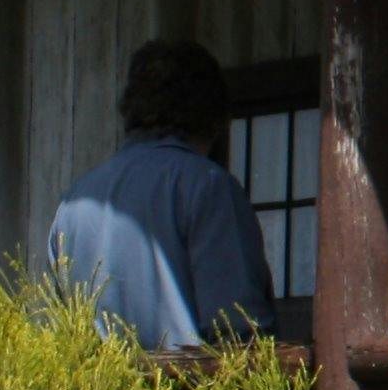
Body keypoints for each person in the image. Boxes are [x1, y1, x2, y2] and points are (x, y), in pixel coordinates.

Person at [47, 39, 278, 351]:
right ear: (214, 115)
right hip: (189, 382)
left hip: (98, 382)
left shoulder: (73, 203)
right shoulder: (207, 185)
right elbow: (239, 330)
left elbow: (64, 337)